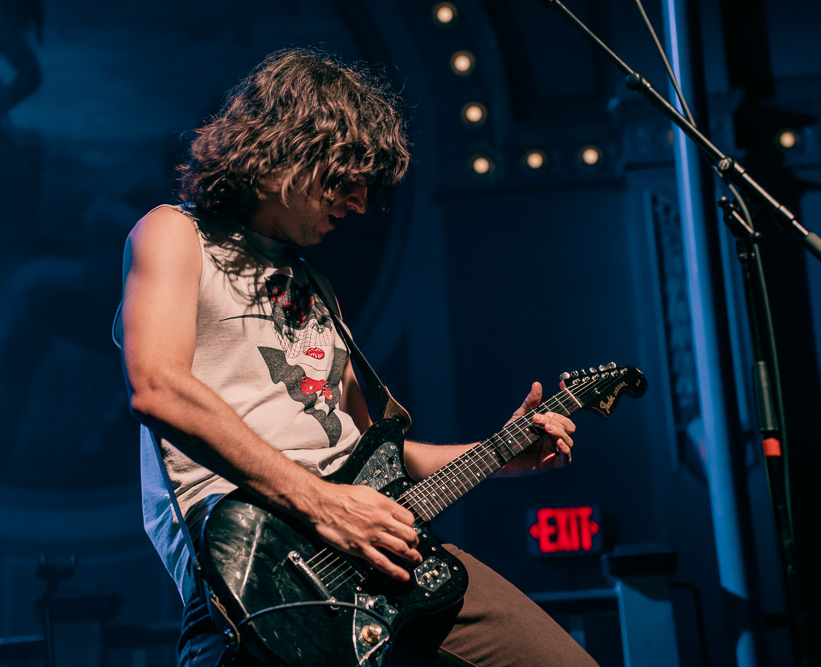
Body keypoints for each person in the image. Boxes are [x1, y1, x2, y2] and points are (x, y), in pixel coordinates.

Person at [116, 48, 599, 666]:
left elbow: (375, 457)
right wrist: (323, 503)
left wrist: (501, 453)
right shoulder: (173, 234)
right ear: (284, 152)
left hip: (373, 540)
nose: (360, 204)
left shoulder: (318, 290)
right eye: (345, 179)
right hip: (258, 562)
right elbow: (157, 386)